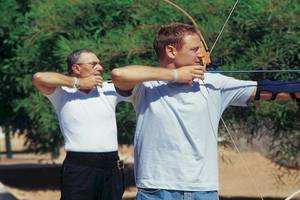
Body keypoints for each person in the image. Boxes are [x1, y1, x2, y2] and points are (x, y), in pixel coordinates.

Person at [111, 23, 300, 200]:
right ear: (171, 51)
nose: (201, 55)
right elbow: (119, 74)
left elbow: (271, 90)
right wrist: (175, 75)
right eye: (194, 49)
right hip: (156, 189)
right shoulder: (146, 86)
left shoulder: (213, 83)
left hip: (203, 190)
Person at [32, 49, 125, 200]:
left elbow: (129, 78)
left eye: (99, 64)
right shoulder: (62, 92)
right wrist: (77, 82)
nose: (100, 68)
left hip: (112, 167)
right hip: (79, 167)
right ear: (76, 68)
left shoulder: (109, 88)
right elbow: (38, 77)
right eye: (94, 64)